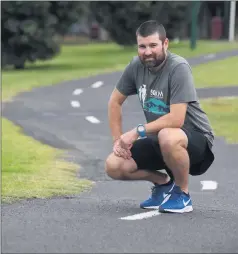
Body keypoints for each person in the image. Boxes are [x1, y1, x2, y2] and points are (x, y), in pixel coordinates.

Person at [105, 20, 215, 214]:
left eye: (153, 45)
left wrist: (136, 132)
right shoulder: (136, 66)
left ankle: (182, 195)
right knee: (113, 165)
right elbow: (114, 101)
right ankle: (164, 184)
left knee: (168, 134)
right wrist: (118, 141)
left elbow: (176, 120)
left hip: (195, 142)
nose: (147, 52)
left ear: (165, 44)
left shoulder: (178, 67)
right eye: (142, 46)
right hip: (160, 141)